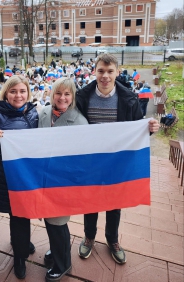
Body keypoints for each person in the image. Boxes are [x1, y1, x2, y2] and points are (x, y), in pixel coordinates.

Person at [76, 54, 159, 264]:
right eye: (101, 71)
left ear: (117, 72)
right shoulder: (82, 96)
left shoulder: (128, 98)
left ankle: (112, 239)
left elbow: (136, 129)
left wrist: (148, 129)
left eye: (110, 71)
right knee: (90, 201)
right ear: (94, 71)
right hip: (91, 160)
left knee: (115, 201)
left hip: (116, 161)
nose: (105, 76)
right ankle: (89, 236)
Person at [0, 75, 38, 280]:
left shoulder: (32, 113)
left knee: (24, 213)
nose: (18, 95)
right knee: (18, 215)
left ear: (28, 93)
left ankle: (20, 242)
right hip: (6, 178)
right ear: (5, 94)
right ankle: (19, 257)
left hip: (27, 175)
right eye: (13, 91)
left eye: (22, 91)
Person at [39, 77, 88, 282]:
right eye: (58, 93)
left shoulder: (79, 121)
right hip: (43, 178)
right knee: (50, 222)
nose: (62, 97)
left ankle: (63, 263)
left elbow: (82, 158)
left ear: (73, 97)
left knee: (58, 223)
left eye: (67, 94)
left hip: (62, 181)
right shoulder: (43, 113)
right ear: (52, 94)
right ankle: (56, 251)